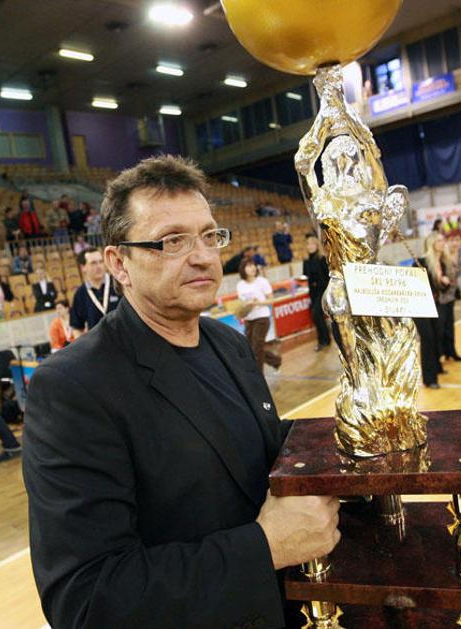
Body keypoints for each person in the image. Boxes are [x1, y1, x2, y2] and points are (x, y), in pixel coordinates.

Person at [23, 154, 340, 629]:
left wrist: (351, 447)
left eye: (210, 236)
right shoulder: (72, 387)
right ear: (119, 263)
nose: (203, 256)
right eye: (173, 241)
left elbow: (256, 453)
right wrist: (266, 547)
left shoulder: (229, 343)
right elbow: (87, 601)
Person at [414, 232, 449, 389]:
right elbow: (416, 283)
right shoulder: (421, 262)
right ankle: (429, 378)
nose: (442, 243)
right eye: (439, 240)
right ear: (432, 243)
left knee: (437, 337)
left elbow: (442, 288)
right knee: (428, 340)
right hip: (421, 307)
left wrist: (444, 282)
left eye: (443, 240)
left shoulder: (442, 263)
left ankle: (436, 367)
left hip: (435, 304)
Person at [237, 258, 282, 372]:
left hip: (262, 318)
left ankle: (258, 377)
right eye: (249, 265)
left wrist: (257, 303)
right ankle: (275, 360)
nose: (252, 267)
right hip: (249, 319)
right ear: (243, 269)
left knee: (257, 348)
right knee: (250, 348)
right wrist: (243, 309)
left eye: (253, 265)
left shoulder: (262, 281)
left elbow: (271, 300)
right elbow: (242, 303)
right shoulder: (240, 285)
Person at [70, 247, 120, 336]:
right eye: (93, 263)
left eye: (101, 261)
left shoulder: (119, 283)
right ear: (83, 267)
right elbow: (76, 327)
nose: (99, 266)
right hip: (99, 343)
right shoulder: (80, 294)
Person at [302, 234, 331, 351]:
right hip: (312, 292)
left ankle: (323, 340)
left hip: (322, 291)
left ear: (317, 245)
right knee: (316, 317)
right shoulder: (306, 261)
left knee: (316, 314)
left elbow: (328, 277)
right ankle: (325, 339)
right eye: (308, 244)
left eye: (312, 243)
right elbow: (305, 276)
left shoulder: (322, 259)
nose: (310, 246)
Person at [442, 229, 461, 361]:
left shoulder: (459, 253)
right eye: (452, 240)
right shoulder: (442, 255)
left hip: (451, 295)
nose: (455, 243)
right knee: (442, 327)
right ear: (447, 241)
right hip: (441, 296)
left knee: (450, 325)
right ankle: (443, 353)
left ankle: (451, 352)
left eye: (458, 240)